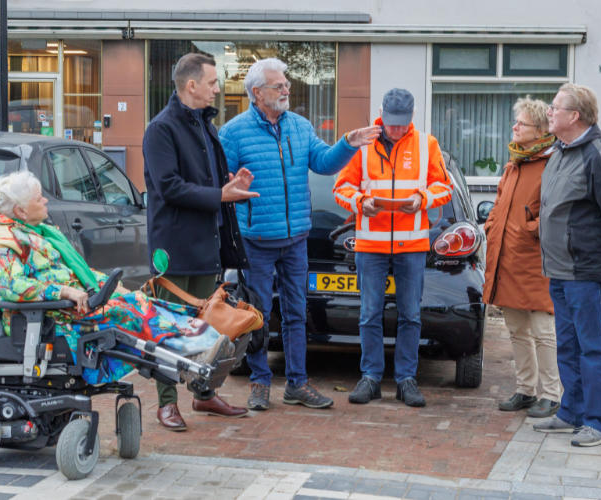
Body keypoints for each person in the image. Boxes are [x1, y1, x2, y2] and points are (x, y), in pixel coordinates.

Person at [219, 58, 380, 410]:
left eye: (287, 84)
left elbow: (323, 162)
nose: (286, 90)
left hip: (295, 241)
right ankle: (259, 382)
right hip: (256, 241)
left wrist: (348, 143)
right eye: (279, 86)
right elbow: (220, 183)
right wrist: (233, 185)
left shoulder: (300, 126)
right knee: (256, 313)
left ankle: (297, 383)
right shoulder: (233, 132)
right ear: (257, 93)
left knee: (296, 312)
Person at [0, 171, 235, 388]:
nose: (46, 200)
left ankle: (201, 349)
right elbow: (11, 286)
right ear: (21, 210)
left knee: (138, 300)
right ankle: (192, 359)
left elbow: (74, 271)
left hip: (69, 309)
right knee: (131, 313)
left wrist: (106, 285)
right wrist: (63, 292)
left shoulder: (36, 231)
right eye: (39, 198)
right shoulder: (0, 240)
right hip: (46, 319)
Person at [143, 53, 258, 430]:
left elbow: (205, 180)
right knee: (169, 327)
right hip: (174, 248)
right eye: (212, 83)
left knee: (206, 327)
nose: (217, 89)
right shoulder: (161, 129)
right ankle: (166, 403)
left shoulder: (206, 126)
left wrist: (229, 183)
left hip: (206, 244)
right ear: (191, 85)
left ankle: (204, 395)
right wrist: (221, 195)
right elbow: (169, 187)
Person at [332, 88, 454, 408]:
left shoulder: (427, 145)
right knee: (369, 313)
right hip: (370, 244)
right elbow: (341, 188)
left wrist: (422, 199)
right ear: (381, 115)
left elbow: (444, 186)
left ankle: (405, 380)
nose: (396, 129)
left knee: (411, 314)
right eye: (391, 123)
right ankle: (370, 377)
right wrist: (361, 202)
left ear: (411, 118)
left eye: (402, 124)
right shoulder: (363, 145)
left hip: (412, 245)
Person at [533, 83, 601, 447]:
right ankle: (572, 412)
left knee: (593, 347)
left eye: (555, 107)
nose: (549, 113)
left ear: (575, 116)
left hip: (586, 271)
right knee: (567, 345)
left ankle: (599, 422)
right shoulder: (558, 153)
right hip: (559, 270)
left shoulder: (599, 155)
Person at [482, 95, 560, 417]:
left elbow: (558, 212)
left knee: (543, 332)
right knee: (516, 330)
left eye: (522, 123)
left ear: (541, 131)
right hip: (508, 260)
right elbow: (501, 204)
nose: (514, 127)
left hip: (536, 261)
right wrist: (491, 226)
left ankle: (552, 394)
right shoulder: (513, 164)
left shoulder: (553, 163)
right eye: (516, 121)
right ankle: (526, 389)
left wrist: (531, 228)